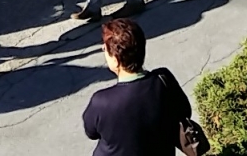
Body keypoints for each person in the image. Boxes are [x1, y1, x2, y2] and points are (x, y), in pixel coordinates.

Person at [80, 19, 197, 156]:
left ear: (116, 61)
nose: (103, 49)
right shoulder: (164, 80)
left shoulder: (101, 101)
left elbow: (91, 132)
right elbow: (184, 112)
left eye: (105, 48)